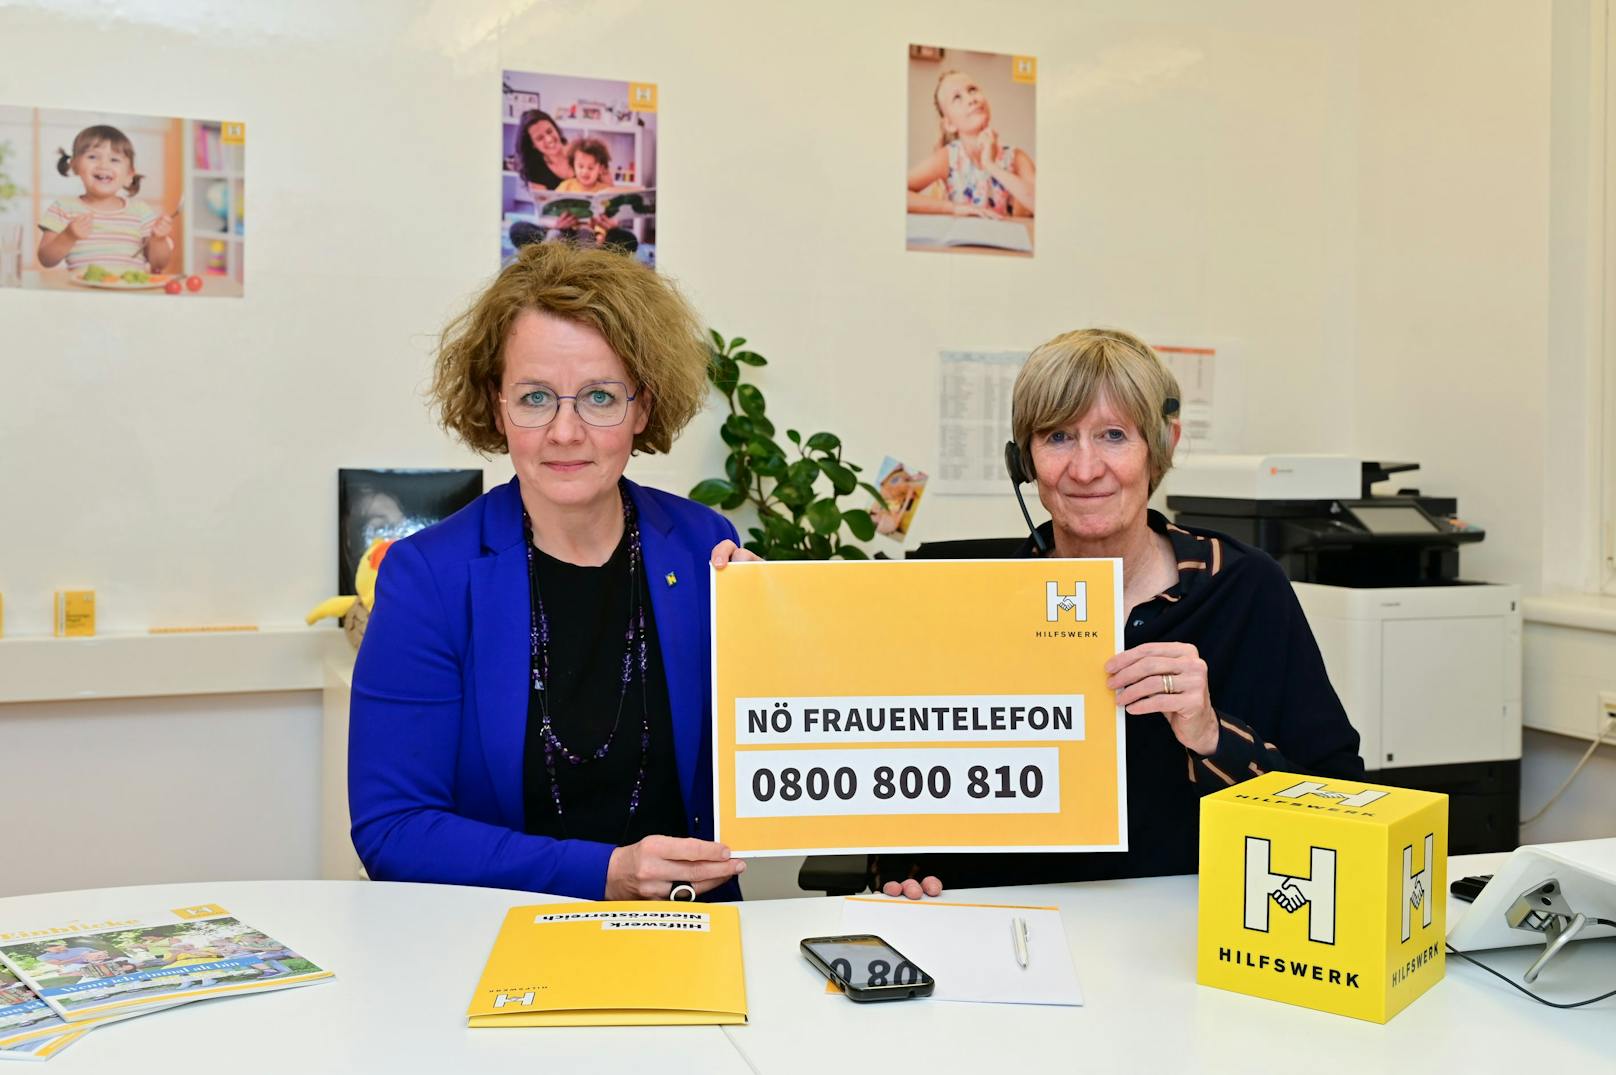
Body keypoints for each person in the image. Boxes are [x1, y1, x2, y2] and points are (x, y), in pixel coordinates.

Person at [879, 328, 1364, 899]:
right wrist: (908, 873)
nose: (1085, 470)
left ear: (1162, 444)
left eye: (1113, 436)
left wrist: (1211, 735)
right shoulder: (970, 597)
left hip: (1190, 934)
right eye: (1058, 437)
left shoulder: (1245, 588)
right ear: (1024, 460)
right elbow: (906, 785)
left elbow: (1341, 805)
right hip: (1005, 927)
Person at [349, 242, 757, 902]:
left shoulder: (705, 547)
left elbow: (774, 770)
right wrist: (606, 873)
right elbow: (393, 830)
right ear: (497, 405)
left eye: (600, 396)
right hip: (496, 943)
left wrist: (774, 640)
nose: (566, 431)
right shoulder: (429, 578)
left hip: (691, 943)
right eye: (536, 397)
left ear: (643, 408)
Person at [37, 124, 174, 273]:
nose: (103, 165)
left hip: (129, 292)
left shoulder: (141, 211)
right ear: (75, 165)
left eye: (114, 160)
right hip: (84, 293)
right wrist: (68, 236)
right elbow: (46, 259)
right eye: (93, 157)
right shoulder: (63, 208)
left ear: (129, 175)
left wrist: (158, 239)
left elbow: (159, 264)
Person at [907, 69, 1037, 220]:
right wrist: (953, 208)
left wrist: (990, 165)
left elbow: (1044, 205)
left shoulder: (1016, 158)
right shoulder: (949, 158)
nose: (971, 99)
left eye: (972, 90)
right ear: (949, 124)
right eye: (957, 97)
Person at [514, 109, 572, 193]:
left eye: (549, 131)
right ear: (533, 145)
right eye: (540, 138)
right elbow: (542, 205)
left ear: (555, 129)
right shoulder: (534, 170)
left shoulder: (579, 151)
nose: (549, 139)